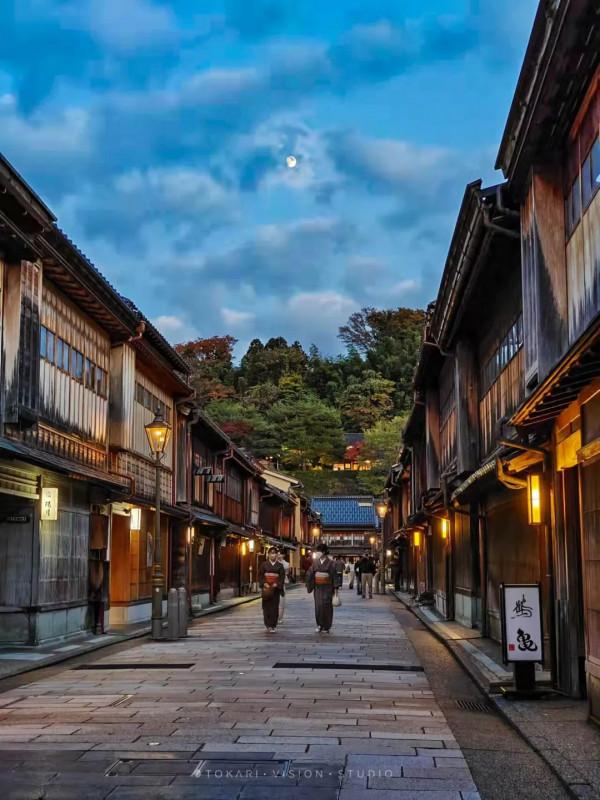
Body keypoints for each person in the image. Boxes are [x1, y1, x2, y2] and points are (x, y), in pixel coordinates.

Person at [305, 543, 337, 633]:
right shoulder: (315, 563)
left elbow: (334, 576)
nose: (317, 553)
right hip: (318, 587)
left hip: (327, 587)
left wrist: (336, 588)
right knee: (318, 606)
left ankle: (326, 626)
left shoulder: (331, 563)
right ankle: (319, 624)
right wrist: (309, 580)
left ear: (323, 552)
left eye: (319, 551)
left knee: (326, 606)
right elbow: (310, 573)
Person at [258, 546, 285, 632]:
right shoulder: (264, 565)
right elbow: (260, 575)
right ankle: (267, 624)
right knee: (266, 607)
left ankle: (273, 625)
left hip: (275, 589)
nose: (273, 555)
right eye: (271, 553)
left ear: (277, 555)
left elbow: (281, 577)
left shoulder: (280, 566)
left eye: (275, 553)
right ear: (268, 554)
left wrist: (277, 584)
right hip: (266, 589)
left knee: (274, 607)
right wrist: (264, 583)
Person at [277, 550, 290, 623]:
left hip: (282, 584)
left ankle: (280, 618)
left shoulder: (286, 564)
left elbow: (286, 573)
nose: (279, 555)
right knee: (274, 602)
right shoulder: (274, 563)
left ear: (283, 555)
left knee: (282, 601)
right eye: (278, 554)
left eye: (280, 554)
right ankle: (275, 616)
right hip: (274, 583)